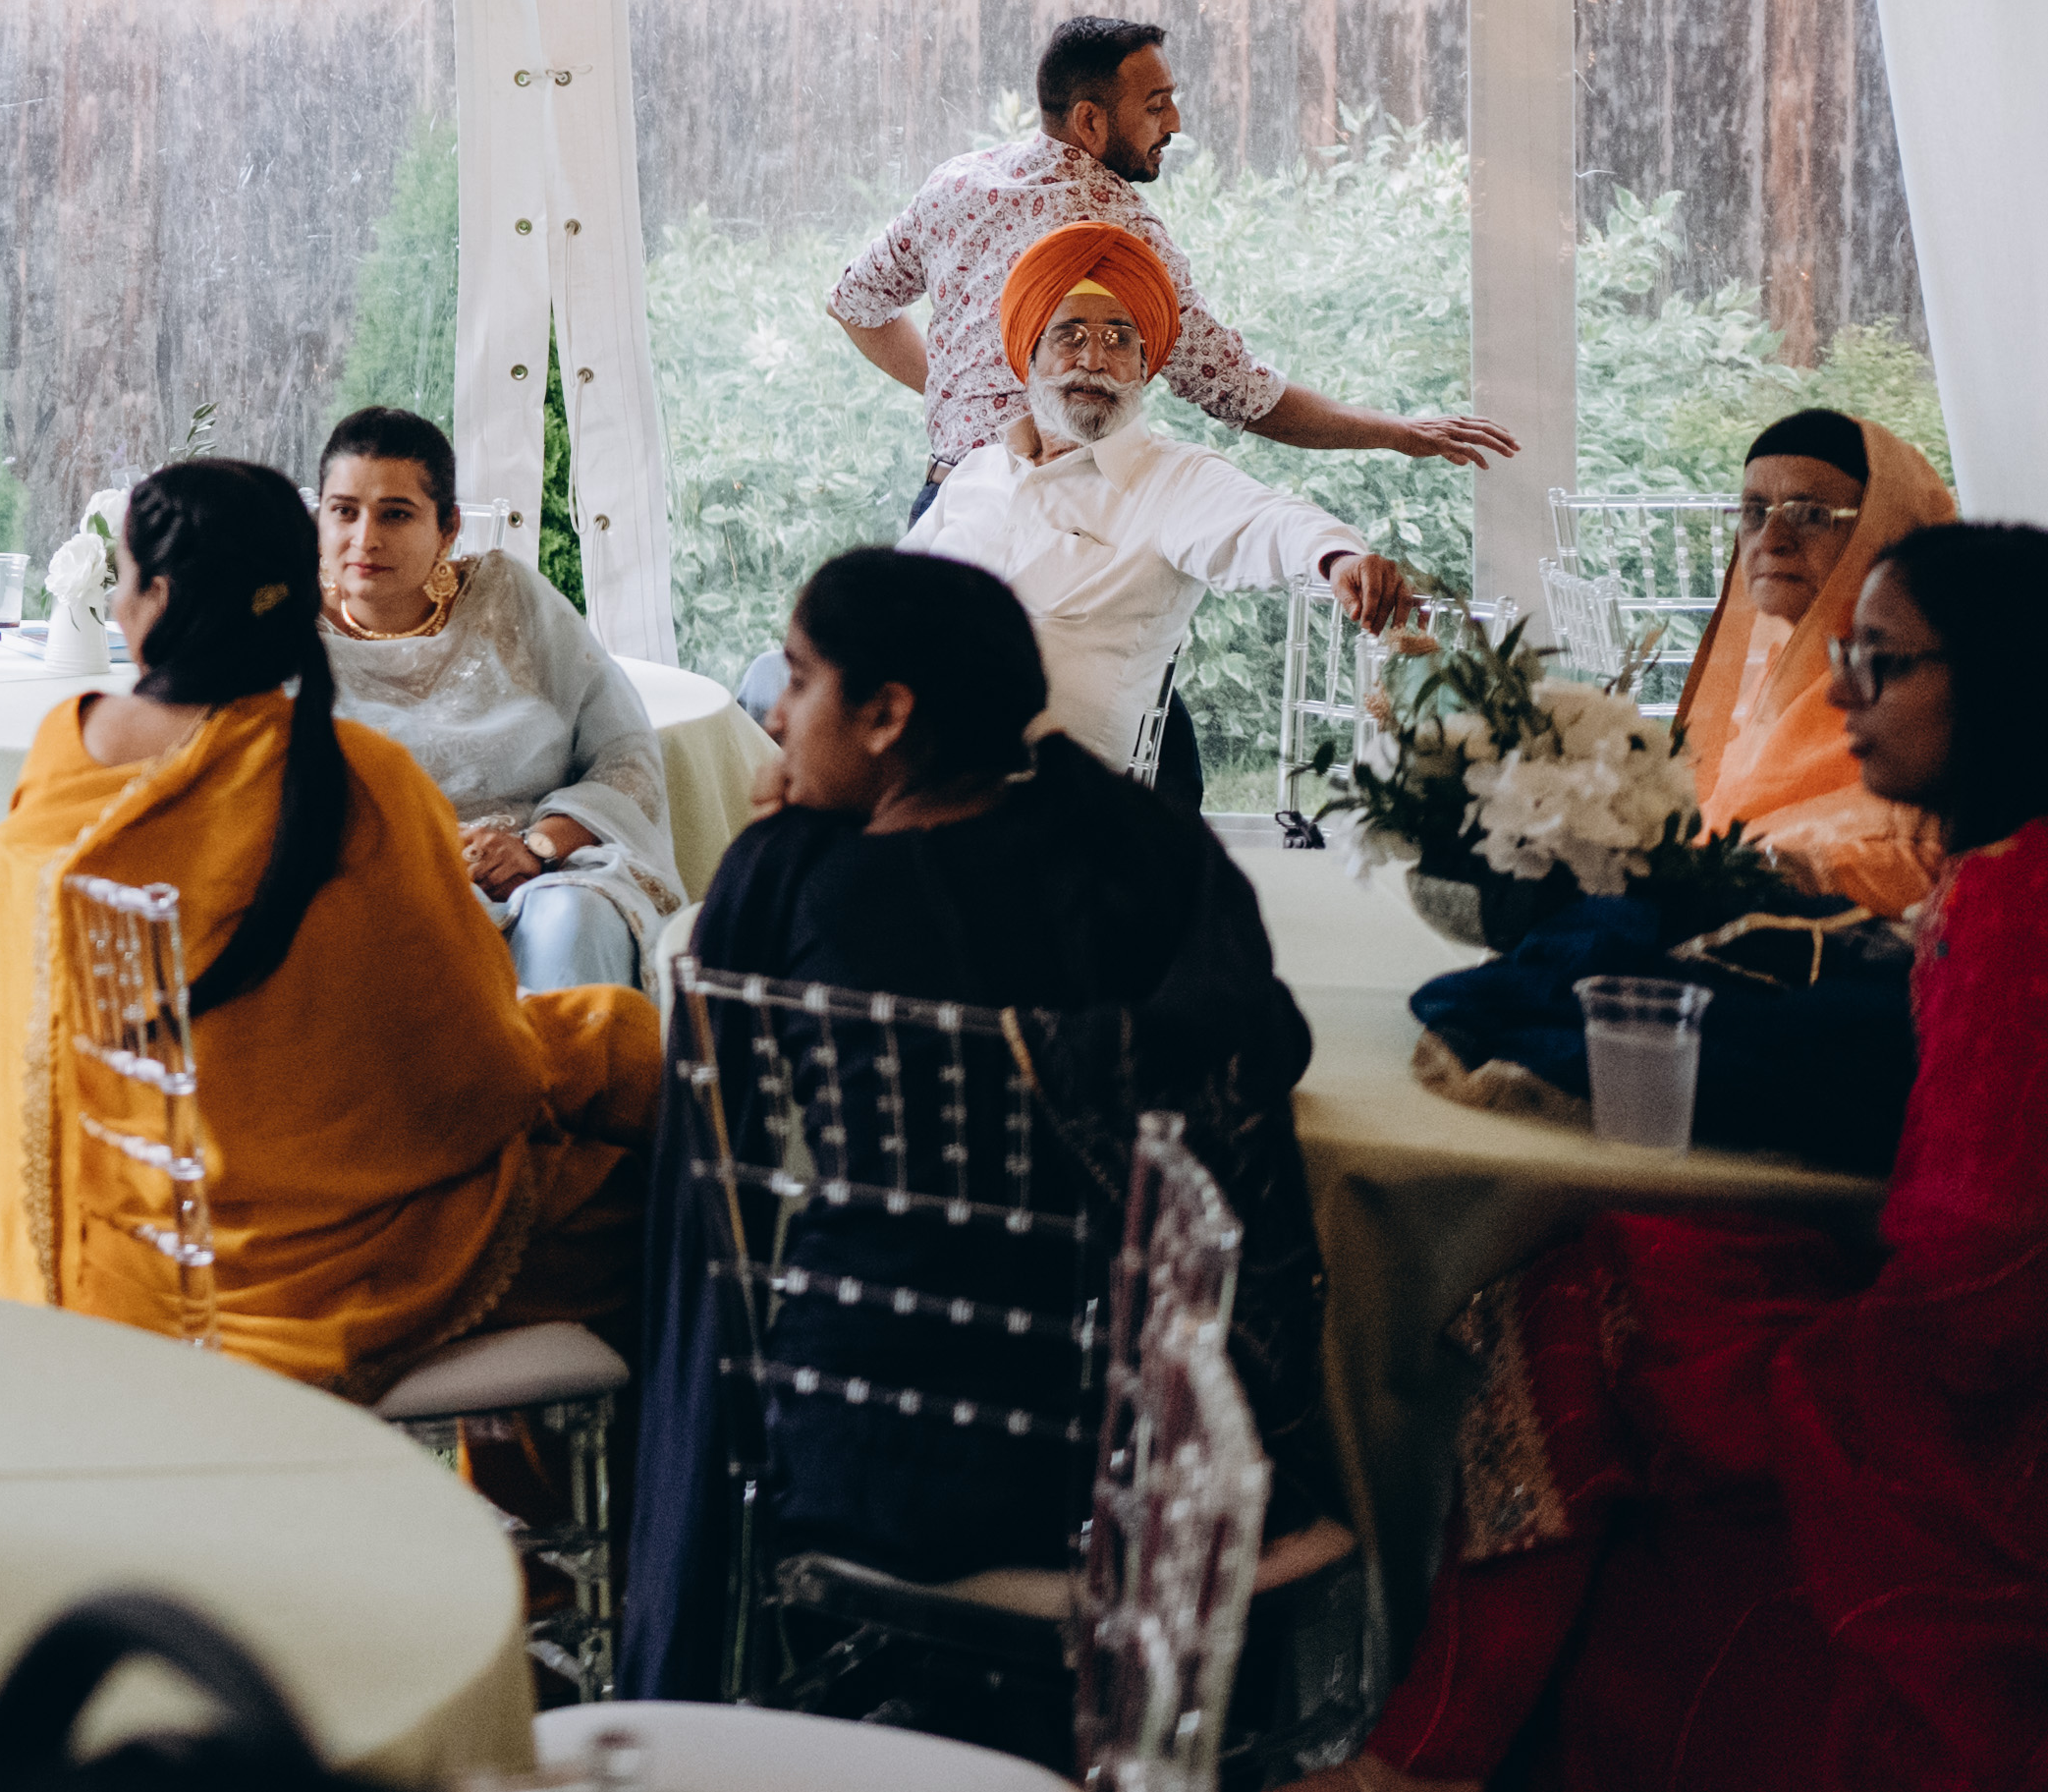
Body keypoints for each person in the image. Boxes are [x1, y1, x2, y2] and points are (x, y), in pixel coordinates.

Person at [1320, 519, 2048, 1790]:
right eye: (1845, 654)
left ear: (1996, 678)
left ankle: (1423, 1749)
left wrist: (1821, 1375)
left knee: (1570, 1298)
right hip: (1947, 1334)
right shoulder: (1996, 865)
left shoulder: (2018, 913)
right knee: (1626, 1262)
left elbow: (1984, 1262)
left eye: (1881, 661)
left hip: (1968, 1408)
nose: (1841, 693)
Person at [619, 545, 1333, 1706]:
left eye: (795, 679)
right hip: (1138, 1456)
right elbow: (1269, 1041)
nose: (773, 716)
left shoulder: (792, 875)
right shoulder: (1135, 854)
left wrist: (783, 836)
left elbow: (719, 1140)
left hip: (863, 1444)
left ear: (886, 714)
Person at [0, 458, 657, 1396]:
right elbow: (477, 1070)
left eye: (121, 577)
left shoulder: (63, 749)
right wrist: (595, 1049)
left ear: (156, 598)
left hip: (114, 1249)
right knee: (654, 1170)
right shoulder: (357, 778)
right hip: (317, 1269)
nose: (116, 600)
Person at [828, 14, 1514, 494]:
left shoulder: (957, 184)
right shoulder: (1118, 236)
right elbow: (1240, 392)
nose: (1175, 124)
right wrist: (1397, 431)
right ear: (1090, 120)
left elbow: (854, 304)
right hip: (1054, 525)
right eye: (1156, 105)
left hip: (941, 504)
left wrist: (960, 396)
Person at [903, 221, 1421, 811]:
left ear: (1145, 366)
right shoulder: (978, 472)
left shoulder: (1172, 481)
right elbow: (882, 607)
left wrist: (1338, 558)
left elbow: (1267, 521)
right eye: (1069, 335)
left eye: (1119, 339)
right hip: (905, 781)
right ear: (1029, 355)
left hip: (1043, 812)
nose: (1094, 359)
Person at [305, 408, 674, 994]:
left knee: (575, 919)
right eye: (344, 511)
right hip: (371, 888)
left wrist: (537, 847)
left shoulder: (507, 596)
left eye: (396, 514)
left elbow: (625, 754)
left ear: (448, 527)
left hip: (538, 875)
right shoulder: (284, 637)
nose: (365, 538)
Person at [1663, 404, 1959, 921]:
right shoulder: (1781, 677)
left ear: (1886, 531)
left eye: (1811, 514)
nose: (1771, 540)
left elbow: (1915, 863)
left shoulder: (1933, 706)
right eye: (1754, 512)